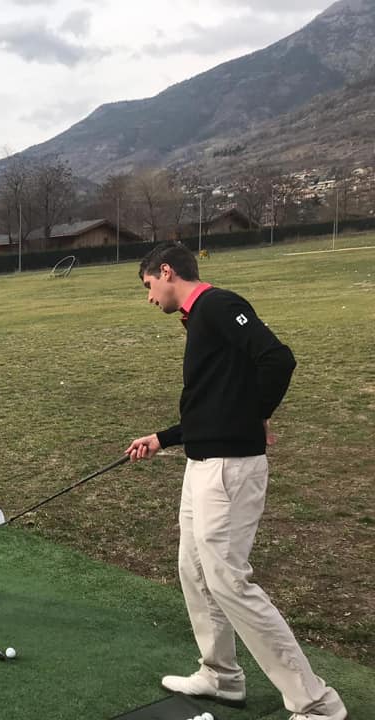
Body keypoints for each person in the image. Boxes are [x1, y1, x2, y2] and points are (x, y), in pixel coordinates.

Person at [125, 242, 347, 720]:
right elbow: (214, 405)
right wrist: (162, 438)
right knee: (194, 569)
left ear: (167, 272)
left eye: (148, 286)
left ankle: (315, 703)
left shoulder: (219, 305)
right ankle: (220, 675)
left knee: (229, 581)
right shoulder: (198, 319)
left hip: (230, 468)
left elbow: (278, 360)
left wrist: (255, 416)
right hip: (202, 465)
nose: (149, 298)